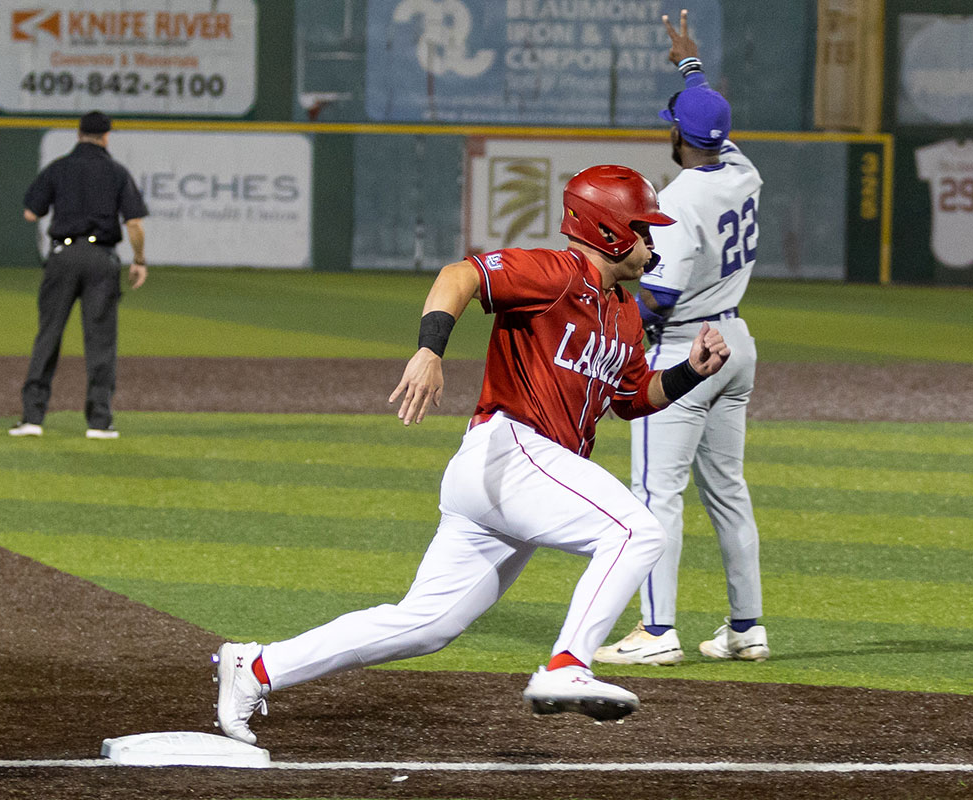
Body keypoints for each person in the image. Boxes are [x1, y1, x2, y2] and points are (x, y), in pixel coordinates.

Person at [212, 164, 732, 745]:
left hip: (520, 479)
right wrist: (429, 351)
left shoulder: (624, 312)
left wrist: (690, 372)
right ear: (609, 229)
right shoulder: (555, 272)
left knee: (428, 624)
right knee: (637, 532)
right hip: (512, 450)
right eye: (643, 229)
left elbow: (633, 398)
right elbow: (458, 276)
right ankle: (568, 667)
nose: (652, 242)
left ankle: (255, 667)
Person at [594, 10, 768, 667]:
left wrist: (618, 357)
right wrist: (689, 63)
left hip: (688, 351)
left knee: (654, 494)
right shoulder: (742, 169)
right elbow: (711, 122)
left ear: (675, 134)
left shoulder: (678, 203)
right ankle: (745, 627)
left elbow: (656, 303)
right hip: (737, 342)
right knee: (729, 491)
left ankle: (657, 631)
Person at [8, 110, 148, 440]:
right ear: (106, 136)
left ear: (78, 134)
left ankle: (32, 418)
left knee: (49, 335)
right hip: (101, 258)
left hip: (63, 256)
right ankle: (99, 422)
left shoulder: (59, 167)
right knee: (101, 341)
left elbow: (31, 213)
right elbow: (135, 224)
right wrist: (139, 259)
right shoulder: (116, 172)